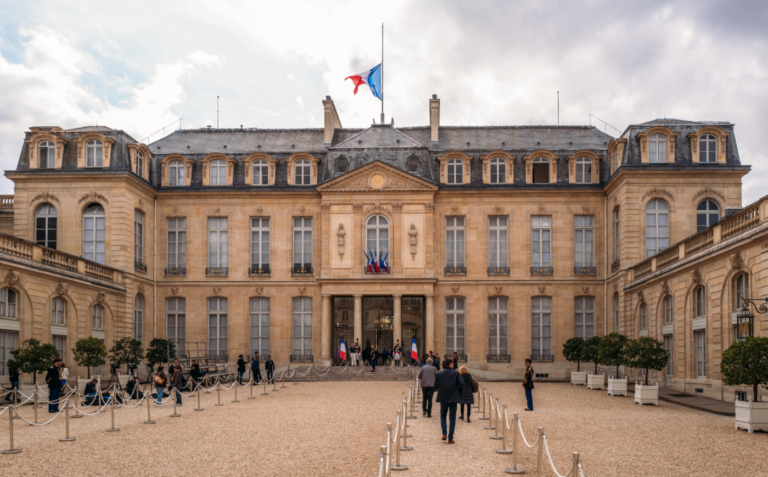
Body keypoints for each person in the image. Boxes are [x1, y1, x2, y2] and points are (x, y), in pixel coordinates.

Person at [435, 359, 463, 444]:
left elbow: (435, 385)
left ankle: (444, 432)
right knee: (452, 417)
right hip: (453, 397)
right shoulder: (455, 373)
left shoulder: (439, 373)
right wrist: (459, 392)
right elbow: (462, 383)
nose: (453, 364)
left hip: (443, 397)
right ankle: (450, 438)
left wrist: (441, 388)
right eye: (453, 363)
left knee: (443, 415)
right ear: (450, 364)